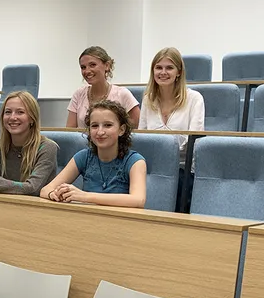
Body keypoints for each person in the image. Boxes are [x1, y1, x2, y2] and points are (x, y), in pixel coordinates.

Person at [41, 100, 146, 208]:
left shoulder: (135, 161)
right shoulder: (83, 157)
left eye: (108, 125)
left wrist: (84, 196)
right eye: (94, 126)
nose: (100, 132)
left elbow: (138, 200)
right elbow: (45, 190)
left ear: (121, 130)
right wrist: (53, 194)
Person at [139, 47, 205, 210]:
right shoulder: (148, 99)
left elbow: (194, 141)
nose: (163, 72)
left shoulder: (194, 99)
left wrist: (166, 153)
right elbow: (142, 137)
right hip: (152, 168)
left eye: (169, 68)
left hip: (182, 169)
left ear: (179, 72)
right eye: (158, 67)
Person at [67, 46, 140, 128]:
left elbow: (137, 131)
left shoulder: (122, 94)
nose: (87, 71)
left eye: (92, 65)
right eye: (83, 67)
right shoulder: (79, 94)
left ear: (107, 66)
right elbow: (69, 131)